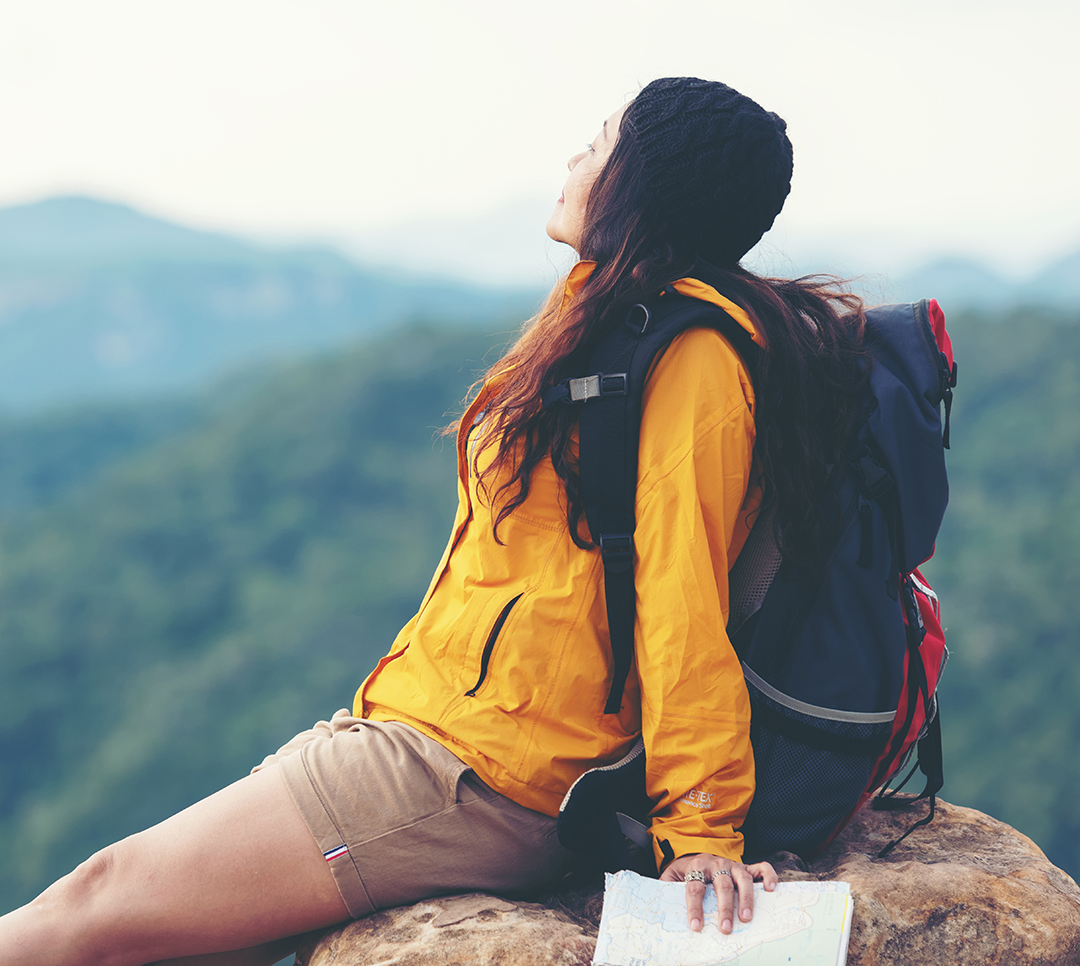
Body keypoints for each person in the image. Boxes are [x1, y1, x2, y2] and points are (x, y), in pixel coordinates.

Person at [0, 77, 869, 966]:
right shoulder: (615, 320)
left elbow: (683, 597)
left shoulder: (691, 359)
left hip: (487, 772)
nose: (574, 159)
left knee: (96, 900)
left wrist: (701, 833)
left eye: (599, 143)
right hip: (438, 731)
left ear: (645, 183)